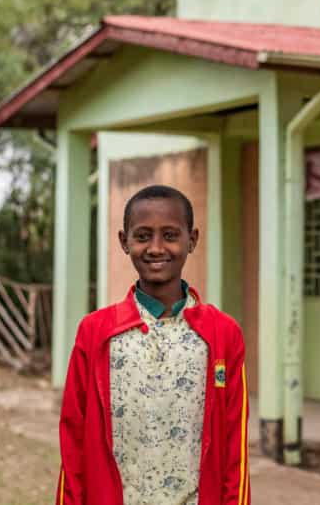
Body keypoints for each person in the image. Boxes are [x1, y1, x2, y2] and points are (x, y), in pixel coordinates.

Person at [56, 184, 250, 505]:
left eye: (171, 236)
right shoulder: (96, 332)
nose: (156, 248)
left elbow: (235, 448)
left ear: (192, 240)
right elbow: (73, 441)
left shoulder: (222, 334)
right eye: (143, 236)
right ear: (124, 241)